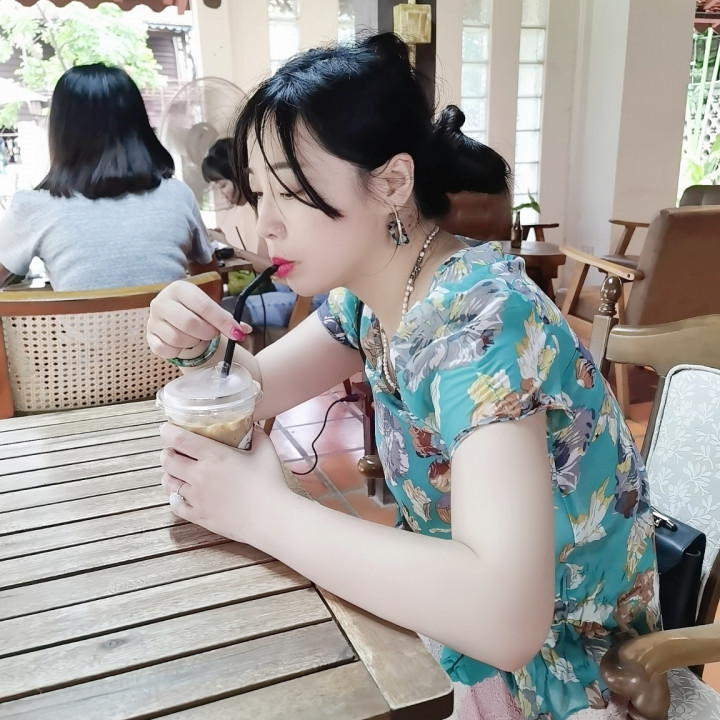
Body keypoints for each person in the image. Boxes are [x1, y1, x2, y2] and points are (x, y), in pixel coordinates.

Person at [146, 33, 658, 720]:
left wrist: (263, 512)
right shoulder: (368, 301)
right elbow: (255, 388)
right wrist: (196, 347)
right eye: (257, 193)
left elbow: (507, 618)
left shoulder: (483, 320)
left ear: (391, 183)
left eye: (290, 192)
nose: (263, 226)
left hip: (566, 679)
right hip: (451, 638)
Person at [0, 64, 215, 292]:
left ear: (60, 131)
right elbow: (210, 284)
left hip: (81, 318)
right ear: (139, 126)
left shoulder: (33, 208)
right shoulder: (178, 196)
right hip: (168, 318)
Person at [201, 137, 326, 329]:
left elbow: (269, 267)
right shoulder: (262, 211)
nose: (222, 194)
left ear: (239, 176)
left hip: (310, 296)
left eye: (223, 185)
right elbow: (265, 263)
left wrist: (232, 248)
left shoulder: (274, 210)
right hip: (288, 291)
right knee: (220, 305)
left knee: (225, 309)